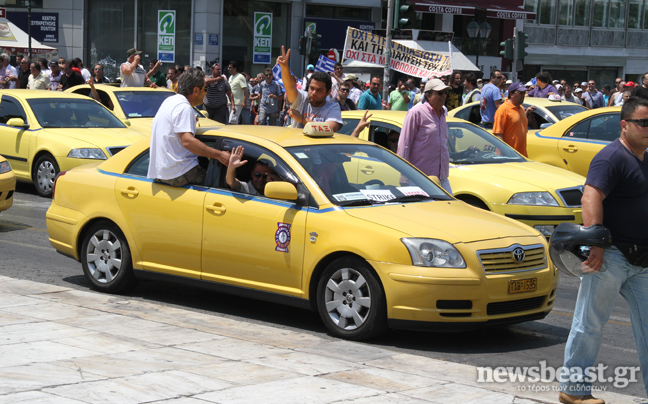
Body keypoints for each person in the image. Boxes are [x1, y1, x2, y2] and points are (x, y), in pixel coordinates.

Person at [558, 96, 648, 404]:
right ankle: (574, 391)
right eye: (643, 122)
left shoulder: (644, 157)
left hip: (642, 261)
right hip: (611, 258)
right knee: (590, 325)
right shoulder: (611, 158)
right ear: (625, 125)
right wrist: (595, 244)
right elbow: (590, 197)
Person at [147, 68, 230, 187]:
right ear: (196, 90)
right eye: (205, 89)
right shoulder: (184, 108)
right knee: (221, 185)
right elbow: (187, 141)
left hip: (162, 172)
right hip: (179, 172)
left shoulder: (169, 101)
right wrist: (219, 155)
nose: (206, 93)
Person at [397, 78, 453, 194]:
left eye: (445, 93)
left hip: (441, 178)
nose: (443, 96)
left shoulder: (443, 113)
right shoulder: (416, 112)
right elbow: (405, 144)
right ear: (428, 95)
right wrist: (404, 175)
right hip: (420, 178)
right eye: (440, 93)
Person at [276, 46, 343, 131]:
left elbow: (329, 129)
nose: (314, 93)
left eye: (319, 90)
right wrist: (284, 68)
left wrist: (302, 120)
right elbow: (290, 86)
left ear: (328, 92)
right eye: (312, 88)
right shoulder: (301, 98)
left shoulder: (332, 107)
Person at [492, 82, 533, 157]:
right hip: (508, 157)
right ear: (511, 94)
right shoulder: (503, 109)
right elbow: (498, 134)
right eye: (520, 93)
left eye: (524, 93)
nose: (523, 95)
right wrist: (505, 154)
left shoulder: (522, 109)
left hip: (521, 156)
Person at [227, 61, 248, 125]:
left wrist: (244, 102)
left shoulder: (240, 77)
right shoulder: (230, 77)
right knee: (233, 121)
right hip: (230, 102)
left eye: (230, 67)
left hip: (237, 103)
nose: (228, 69)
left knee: (232, 121)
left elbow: (245, 90)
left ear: (235, 68)